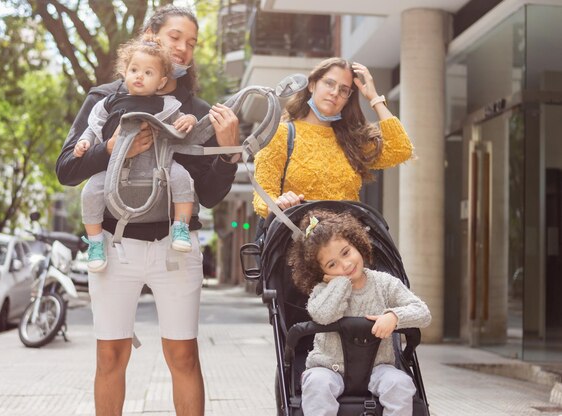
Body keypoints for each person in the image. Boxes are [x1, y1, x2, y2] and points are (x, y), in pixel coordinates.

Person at [55, 5, 240, 416]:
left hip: (175, 247)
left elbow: (207, 196)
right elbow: (67, 170)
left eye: (191, 43)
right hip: (113, 247)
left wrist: (229, 151)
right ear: (152, 34)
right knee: (110, 358)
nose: (183, 49)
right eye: (175, 37)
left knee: (184, 358)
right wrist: (110, 150)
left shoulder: (197, 113)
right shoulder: (104, 99)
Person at [287, 208, 431, 416]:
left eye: (346, 252)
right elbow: (323, 315)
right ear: (322, 273)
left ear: (357, 244)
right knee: (316, 385)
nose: (345, 265)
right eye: (332, 264)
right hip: (328, 368)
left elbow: (422, 312)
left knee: (400, 384)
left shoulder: (384, 284)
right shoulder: (322, 291)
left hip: (378, 367)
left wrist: (394, 317)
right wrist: (339, 284)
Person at [75, 35, 199, 272]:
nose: (139, 76)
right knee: (90, 190)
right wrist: (84, 142)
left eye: (148, 73)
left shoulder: (167, 104)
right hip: (114, 169)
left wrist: (190, 119)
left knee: (183, 178)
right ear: (124, 71)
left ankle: (180, 228)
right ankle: (95, 241)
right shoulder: (108, 102)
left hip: (158, 165)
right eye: (134, 69)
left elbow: (182, 120)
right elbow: (93, 127)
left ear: (162, 82)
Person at [252, 57, 414, 218]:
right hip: (296, 239)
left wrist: (374, 98)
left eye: (344, 90)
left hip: (347, 239)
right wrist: (280, 205)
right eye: (329, 83)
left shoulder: (352, 141)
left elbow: (401, 150)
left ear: (348, 99)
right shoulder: (280, 134)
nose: (335, 92)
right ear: (312, 84)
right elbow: (262, 195)